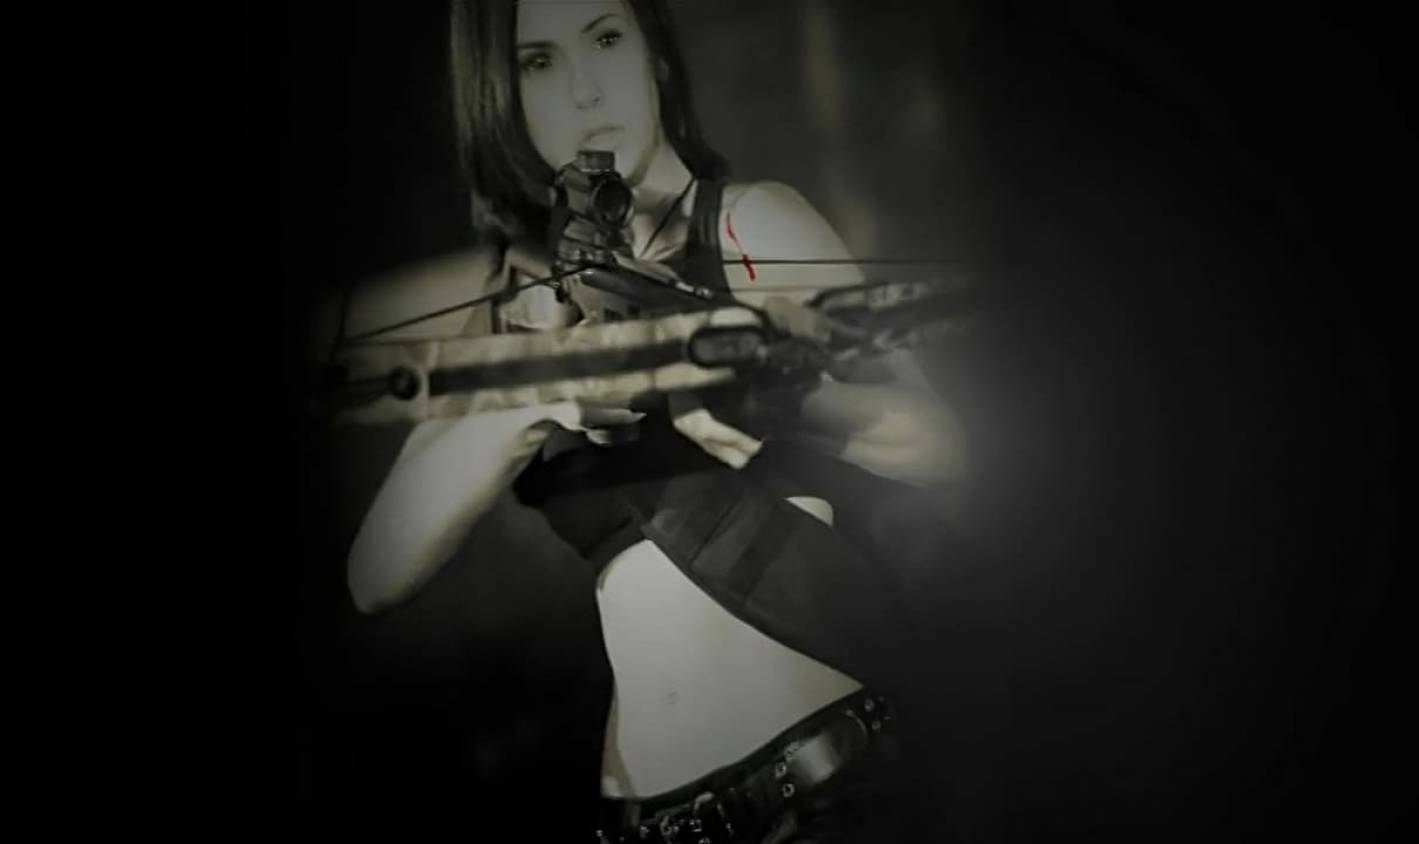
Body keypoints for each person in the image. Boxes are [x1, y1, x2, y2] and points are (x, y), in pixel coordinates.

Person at [338, 1, 969, 840]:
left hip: (815, 793)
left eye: (605, 38)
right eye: (538, 62)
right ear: (505, 97)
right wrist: (541, 399)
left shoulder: (746, 223)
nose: (584, 89)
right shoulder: (525, 306)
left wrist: (769, 398)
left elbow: (939, 444)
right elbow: (375, 571)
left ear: (655, 55)